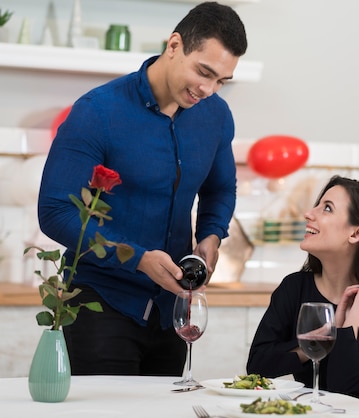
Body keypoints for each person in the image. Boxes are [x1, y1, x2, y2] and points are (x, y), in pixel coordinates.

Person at [37, 2, 247, 376]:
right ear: (174, 45)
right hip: (100, 303)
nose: (209, 89)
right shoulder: (97, 111)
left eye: (221, 81)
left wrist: (211, 236)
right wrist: (138, 258)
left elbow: (220, 189)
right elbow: (55, 210)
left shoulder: (216, 116)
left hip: (172, 310)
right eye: (204, 72)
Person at [247, 176, 359, 418]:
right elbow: (258, 366)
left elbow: (343, 386)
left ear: (356, 233)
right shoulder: (294, 288)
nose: (308, 214)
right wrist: (315, 343)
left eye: (326, 208)